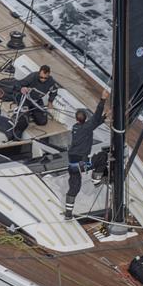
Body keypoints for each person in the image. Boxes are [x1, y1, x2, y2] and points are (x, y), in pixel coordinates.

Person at [64, 89, 109, 219]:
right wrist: (103, 99)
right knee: (102, 156)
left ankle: (68, 214)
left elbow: (93, 123)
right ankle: (96, 179)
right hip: (82, 165)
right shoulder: (86, 127)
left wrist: (105, 117)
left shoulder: (76, 127)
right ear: (85, 119)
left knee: (73, 189)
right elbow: (95, 119)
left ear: (76, 119)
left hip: (72, 166)